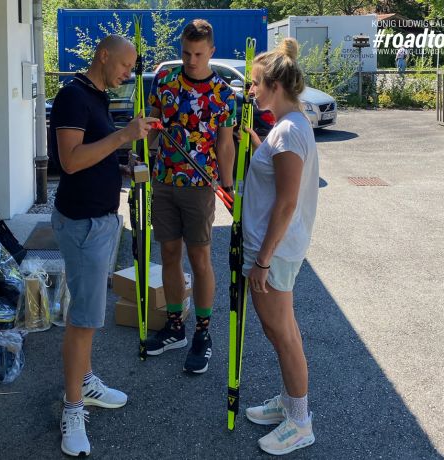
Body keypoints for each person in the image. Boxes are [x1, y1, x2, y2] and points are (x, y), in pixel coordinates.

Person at [49, 35, 158, 457]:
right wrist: (122, 137)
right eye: (126, 66)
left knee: (88, 312)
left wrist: (121, 165)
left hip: (99, 221)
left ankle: (85, 381)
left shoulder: (95, 95)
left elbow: (92, 154)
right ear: (104, 55)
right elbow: (70, 160)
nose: (128, 74)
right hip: (83, 225)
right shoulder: (73, 96)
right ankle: (72, 409)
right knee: (84, 320)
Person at [241, 37, 319, 456]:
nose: (251, 90)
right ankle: (290, 403)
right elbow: (275, 170)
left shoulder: (289, 131)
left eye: (256, 83)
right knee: (280, 329)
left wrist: (263, 260)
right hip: (274, 249)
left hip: (274, 252)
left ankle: (300, 421)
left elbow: (287, 202)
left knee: (282, 333)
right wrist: (255, 141)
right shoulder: (288, 127)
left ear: (275, 85)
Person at [145, 19, 237, 373]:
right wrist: (141, 153)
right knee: (169, 253)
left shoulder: (223, 93)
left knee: (200, 258)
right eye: (186, 53)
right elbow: (152, 126)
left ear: (211, 51)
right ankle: (174, 327)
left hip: (200, 186)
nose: (191, 60)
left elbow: (225, 144)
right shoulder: (165, 82)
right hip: (164, 180)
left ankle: (202, 332)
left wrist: (227, 185)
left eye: (198, 54)